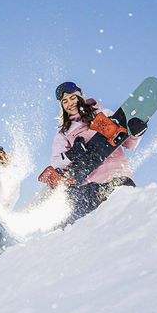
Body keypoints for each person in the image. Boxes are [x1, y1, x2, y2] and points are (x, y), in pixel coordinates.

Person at [50, 81, 139, 224]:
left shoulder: (104, 114)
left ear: (80, 97)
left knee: (125, 222)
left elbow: (128, 143)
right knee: (79, 226)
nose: (69, 103)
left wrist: (136, 133)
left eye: (72, 98)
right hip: (90, 187)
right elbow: (56, 162)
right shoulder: (63, 133)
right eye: (64, 101)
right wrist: (72, 154)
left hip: (118, 177)